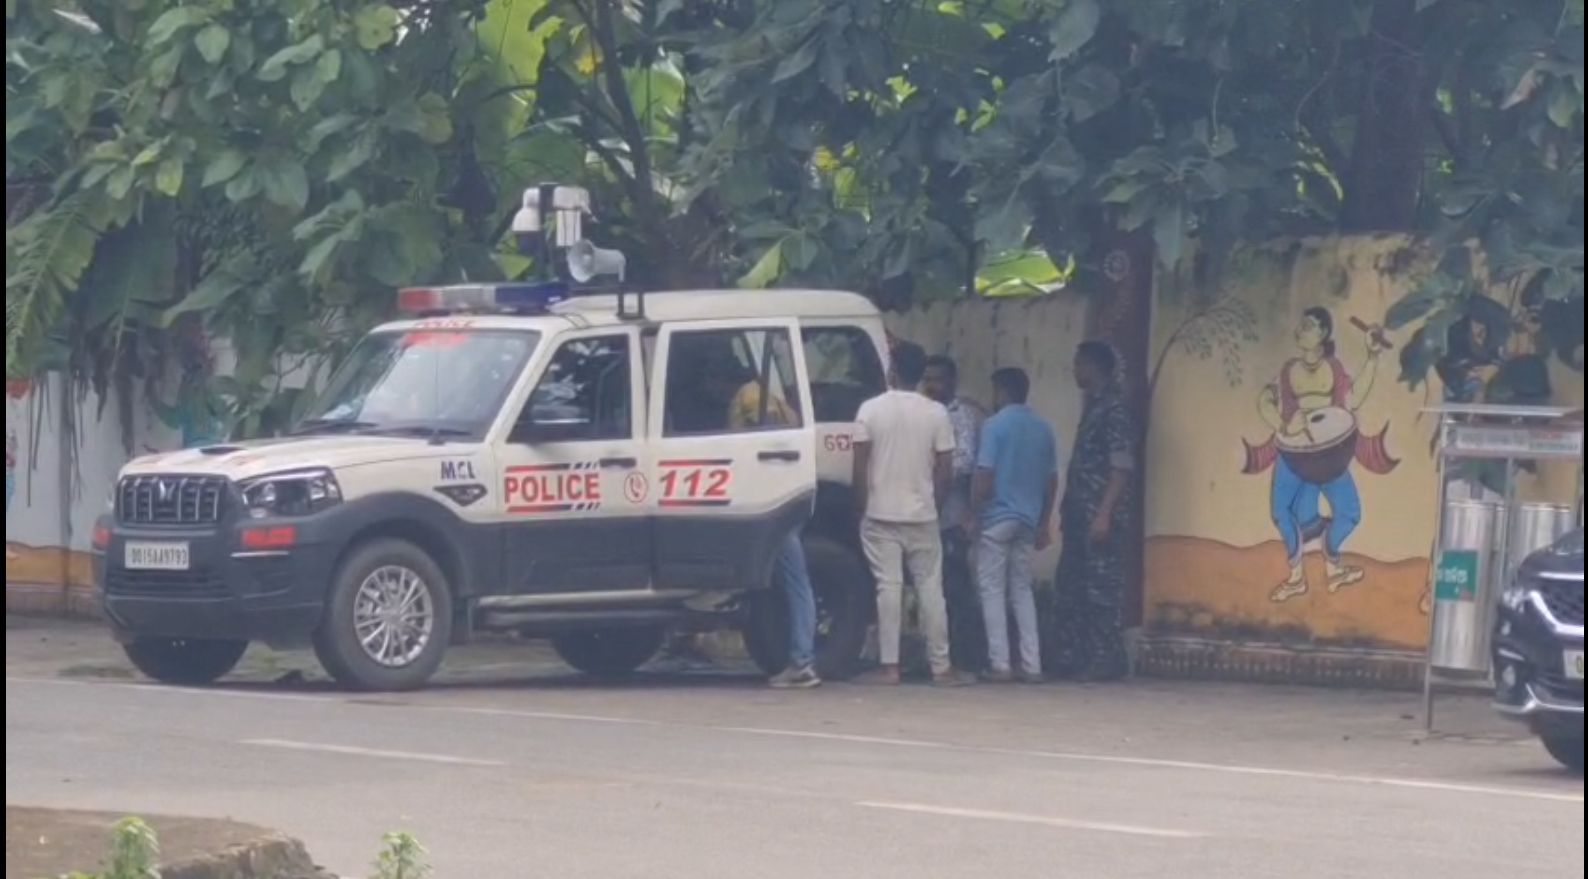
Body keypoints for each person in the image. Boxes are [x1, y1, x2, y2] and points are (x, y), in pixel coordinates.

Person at [852, 342, 973, 686]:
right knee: (931, 589)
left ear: (891, 370)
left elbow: (859, 464)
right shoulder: (936, 413)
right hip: (922, 514)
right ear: (921, 375)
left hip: (880, 512)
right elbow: (945, 468)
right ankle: (941, 667)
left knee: (888, 587)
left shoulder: (870, 410)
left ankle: (889, 667)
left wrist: (862, 505)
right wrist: (934, 503)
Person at [1052, 341, 1135, 682]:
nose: (1075, 371)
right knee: (1073, 586)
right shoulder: (1094, 408)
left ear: (1092, 366)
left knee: (1102, 588)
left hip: (1099, 515)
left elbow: (1121, 467)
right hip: (1079, 515)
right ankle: (1075, 656)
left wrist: (1104, 513)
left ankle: (1107, 657)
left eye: (1078, 364)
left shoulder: (1114, 410)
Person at [969, 367, 1057, 683]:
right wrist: (1044, 521)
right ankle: (1032, 665)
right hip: (1028, 519)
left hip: (997, 519)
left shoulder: (994, 426)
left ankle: (1001, 664)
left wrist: (974, 514)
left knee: (992, 590)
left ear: (1002, 392)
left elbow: (984, 476)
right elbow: (1051, 480)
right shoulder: (1044, 428)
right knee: (1022, 590)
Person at [921, 355, 988, 672]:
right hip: (926, 516)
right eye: (927, 379)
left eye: (938, 379)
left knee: (956, 589)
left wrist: (931, 468)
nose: (931, 386)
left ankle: (967, 657)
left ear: (952, 382)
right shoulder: (924, 413)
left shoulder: (960, 416)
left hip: (952, 517)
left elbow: (963, 462)